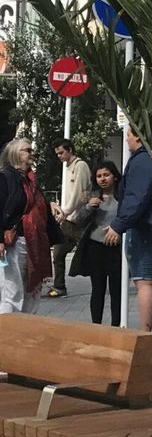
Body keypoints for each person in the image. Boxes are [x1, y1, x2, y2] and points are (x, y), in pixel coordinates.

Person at [105, 127, 152, 334]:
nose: (127, 140)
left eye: (128, 135)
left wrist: (118, 225)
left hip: (146, 228)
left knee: (144, 282)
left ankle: (146, 333)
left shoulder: (142, 160)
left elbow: (136, 197)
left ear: (137, 136)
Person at [0, 137, 58, 314]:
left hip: (34, 243)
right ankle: (7, 335)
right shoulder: (5, 178)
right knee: (13, 291)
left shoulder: (31, 180)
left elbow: (37, 206)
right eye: (27, 150)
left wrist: (50, 206)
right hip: (14, 243)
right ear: (14, 154)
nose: (32, 154)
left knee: (32, 291)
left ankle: (26, 333)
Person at [67, 160, 123, 326]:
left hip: (116, 249)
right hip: (95, 247)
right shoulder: (91, 196)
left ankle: (116, 325)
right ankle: (96, 325)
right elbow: (77, 221)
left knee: (116, 291)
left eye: (106, 175)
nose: (102, 179)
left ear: (115, 177)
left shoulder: (124, 197)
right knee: (97, 289)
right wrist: (88, 207)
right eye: (99, 176)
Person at [47, 137, 93, 298]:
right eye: (57, 153)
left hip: (79, 218)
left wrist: (65, 211)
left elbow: (78, 195)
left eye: (61, 152)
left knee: (91, 251)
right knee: (58, 253)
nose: (59, 156)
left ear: (70, 150)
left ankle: (108, 278)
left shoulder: (80, 166)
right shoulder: (67, 168)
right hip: (68, 219)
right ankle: (59, 286)